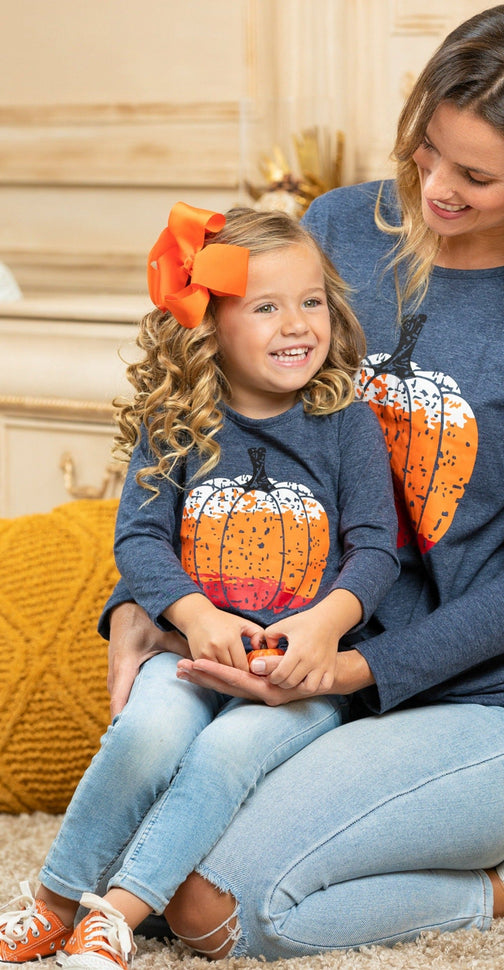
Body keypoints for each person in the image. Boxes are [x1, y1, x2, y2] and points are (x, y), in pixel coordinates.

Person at [6, 1, 504, 964]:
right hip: (306, 674)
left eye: (476, 176)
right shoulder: (339, 228)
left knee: (220, 911)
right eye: (428, 152)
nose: (436, 188)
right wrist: (142, 601)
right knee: (152, 862)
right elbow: (212, 411)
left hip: (492, 705)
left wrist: (349, 669)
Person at [0, 203, 398, 968]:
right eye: (267, 307)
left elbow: (376, 549)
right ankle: (53, 903)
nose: (298, 325)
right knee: (145, 735)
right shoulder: (177, 420)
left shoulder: (345, 421)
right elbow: (139, 539)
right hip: (188, 653)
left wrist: (325, 625)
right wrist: (195, 614)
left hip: (296, 673)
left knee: (223, 755)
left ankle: (115, 918)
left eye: (312, 301)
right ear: (210, 323)